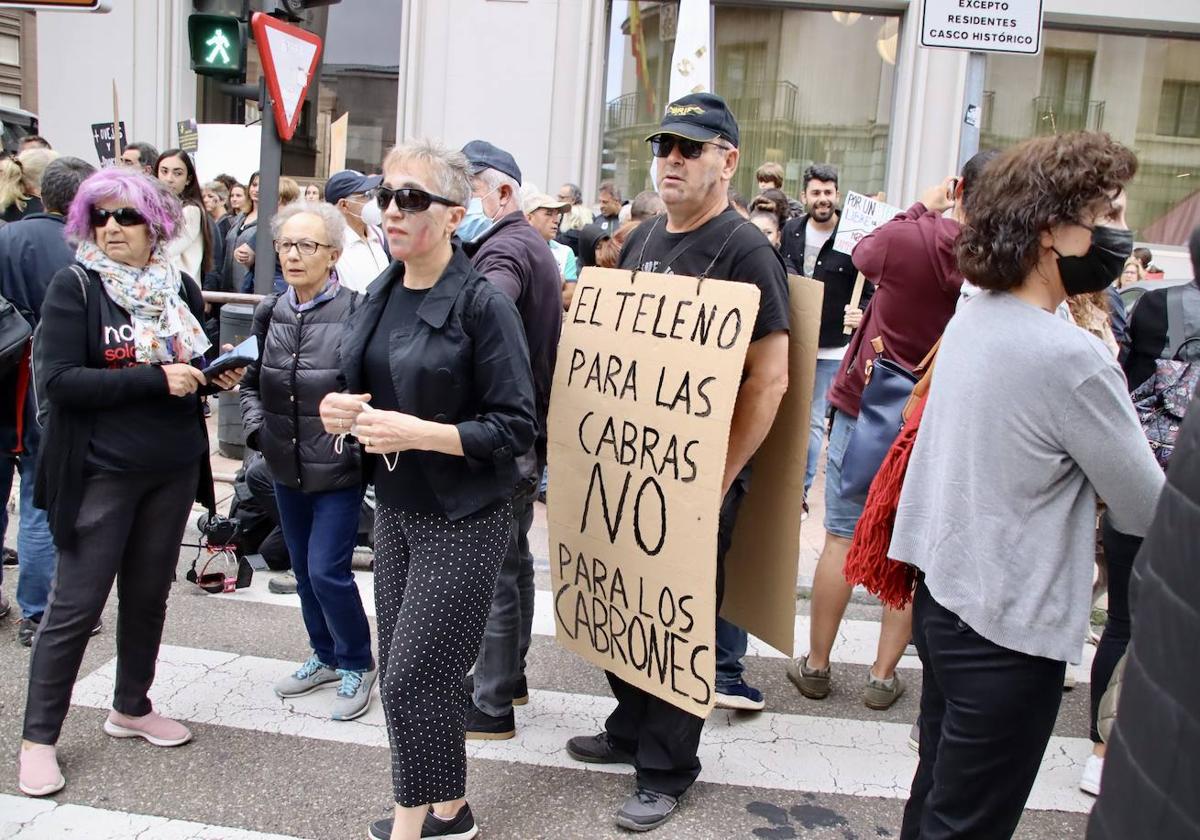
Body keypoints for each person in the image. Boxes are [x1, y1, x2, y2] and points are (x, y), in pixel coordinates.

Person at [888, 131, 1162, 839]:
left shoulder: (977, 316)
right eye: (1105, 216)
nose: (1116, 235)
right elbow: (1147, 506)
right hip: (1008, 632)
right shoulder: (1070, 357)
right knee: (969, 822)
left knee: (936, 801)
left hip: (945, 603)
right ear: (1051, 232)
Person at [565, 92, 790, 832]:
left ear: (727, 160)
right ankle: (630, 722)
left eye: (690, 148)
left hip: (695, 478)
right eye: (665, 145)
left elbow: (771, 379)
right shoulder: (643, 239)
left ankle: (666, 769)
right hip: (627, 469)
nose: (671, 159)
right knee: (622, 599)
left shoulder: (748, 250)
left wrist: (719, 475)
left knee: (675, 619)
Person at [318, 138, 535, 840]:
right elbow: (368, 386)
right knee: (426, 675)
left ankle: (413, 827)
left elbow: (514, 427)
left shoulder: (482, 304)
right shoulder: (381, 291)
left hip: (466, 514)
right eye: (385, 196)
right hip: (397, 510)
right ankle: (452, 810)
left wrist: (418, 431)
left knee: (411, 678)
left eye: (411, 198)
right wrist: (340, 409)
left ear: (452, 214)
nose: (391, 210)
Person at [17, 168, 244, 798]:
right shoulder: (77, 287)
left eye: (127, 217)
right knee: (75, 607)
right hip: (101, 472)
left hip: (170, 467)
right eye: (101, 216)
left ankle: (131, 706)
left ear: (157, 225)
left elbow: (191, 363)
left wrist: (212, 375)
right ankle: (39, 739)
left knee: (148, 597)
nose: (112, 228)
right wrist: (155, 379)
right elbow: (59, 382)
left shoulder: (182, 288)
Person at [788, 152, 997, 714]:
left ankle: (817, 665)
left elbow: (863, 253)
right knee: (908, 548)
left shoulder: (913, 236)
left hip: (866, 405)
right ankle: (882, 677)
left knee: (841, 534)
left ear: (959, 187)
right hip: (936, 415)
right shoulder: (1001, 259)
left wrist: (920, 205)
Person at [239, 200, 376, 721]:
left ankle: (358, 662)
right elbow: (252, 381)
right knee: (302, 569)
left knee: (327, 571)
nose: (294, 256)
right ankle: (323, 654)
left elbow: (373, 389)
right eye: (286, 245)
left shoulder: (358, 310)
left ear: (334, 254)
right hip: (283, 465)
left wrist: (357, 439)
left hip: (337, 468)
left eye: (307, 246)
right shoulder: (270, 311)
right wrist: (257, 429)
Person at [1087, 226, 1200, 840]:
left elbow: (1125, 388)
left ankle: (1099, 745)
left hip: (1147, 468)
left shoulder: (1155, 304)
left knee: (1127, 617)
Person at [460, 139, 563, 740]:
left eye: (468, 188)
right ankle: (511, 678)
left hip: (505, 430)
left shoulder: (505, 250)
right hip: (525, 423)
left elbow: (486, 308)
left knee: (498, 567)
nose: (461, 202)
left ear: (501, 192)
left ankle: (492, 700)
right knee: (514, 559)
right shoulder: (526, 244)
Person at [0, 156, 95, 646]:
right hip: (45, 387)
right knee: (41, 499)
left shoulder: (5, 236)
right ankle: (38, 612)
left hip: (3, 379)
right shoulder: (81, 251)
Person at [779, 165, 871, 536]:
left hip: (833, 345)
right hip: (795, 338)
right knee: (789, 419)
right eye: (816, 193)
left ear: (837, 194)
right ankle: (782, 489)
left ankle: (798, 494)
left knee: (814, 421)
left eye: (828, 192)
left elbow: (870, 283)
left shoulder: (853, 237)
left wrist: (860, 309)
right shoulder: (792, 231)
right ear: (805, 196)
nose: (823, 199)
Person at [325, 169, 389, 293]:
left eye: (373, 193)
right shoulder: (331, 245)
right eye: (366, 195)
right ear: (344, 205)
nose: (374, 201)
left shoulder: (378, 234)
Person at [155, 149, 212, 282]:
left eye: (177, 173)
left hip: (180, 287)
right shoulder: (158, 207)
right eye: (164, 171)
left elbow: (166, 251)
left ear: (188, 179)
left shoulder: (190, 210)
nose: (169, 179)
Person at [523, 191, 577, 282]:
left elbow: (570, 293)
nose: (556, 220)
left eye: (557, 215)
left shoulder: (565, 252)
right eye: (549, 213)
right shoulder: (514, 248)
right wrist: (557, 283)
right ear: (529, 218)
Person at [223, 171, 259, 294]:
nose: (257, 189)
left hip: (249, 287)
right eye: (254, 185)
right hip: (228, 284)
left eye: (262, 185)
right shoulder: (241, 216)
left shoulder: (269, 219)